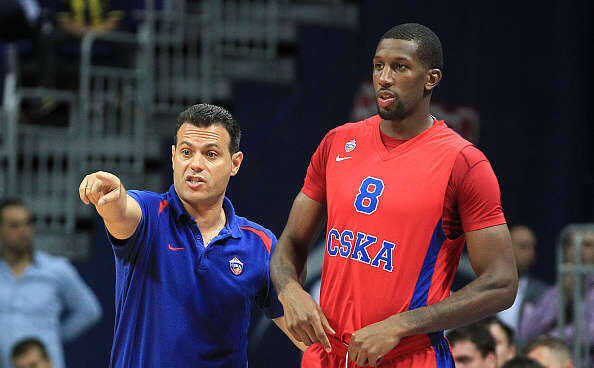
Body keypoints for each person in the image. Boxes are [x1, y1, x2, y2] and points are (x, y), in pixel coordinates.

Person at [270, 22, 518, 367]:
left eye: (400, 67)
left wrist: (401, 325)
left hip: (407, 357)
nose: (384, 78)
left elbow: (501, 282)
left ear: (431, 78)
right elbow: (292, 241)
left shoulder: (463, 162)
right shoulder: (338, 142)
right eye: (378, 66)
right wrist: (290, 290)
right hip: (326, 357)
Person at [78, 103, 305, 367]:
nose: (195, 164)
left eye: (210, 154)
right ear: (174, 156)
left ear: (235, 163)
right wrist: (113, 198)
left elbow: (303, 335)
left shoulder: (259, 244)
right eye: (186, 152)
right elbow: (122, 214)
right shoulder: (149, 215)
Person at [0, 199, 102, 368]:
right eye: (14, 225)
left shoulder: (57, 269)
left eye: (28, 223)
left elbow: (89, 310)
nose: (23, 232)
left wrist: (55, 335)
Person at [519, 230, 594, 348]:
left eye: (587, 244)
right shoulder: (555, 291)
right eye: (571, 243)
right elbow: (528, 332)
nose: (578, 249)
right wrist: (563, 296)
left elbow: (590, 331)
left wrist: (551, 338)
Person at [498, 225, 548, 340]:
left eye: (532, 247)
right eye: (523, 247)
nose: (530, 253)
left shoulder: (544, 293)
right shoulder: (487, 288)